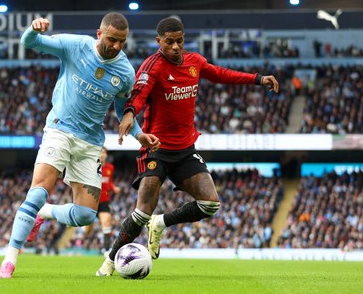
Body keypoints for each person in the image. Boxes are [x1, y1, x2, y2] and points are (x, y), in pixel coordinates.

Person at [96, 17, 279, 276]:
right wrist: (128, 114)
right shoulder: (152, 66)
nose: (175, 47)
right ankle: (110, 259)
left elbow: (221, 74)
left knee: (211, 204)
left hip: (185, 148)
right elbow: (138, 95)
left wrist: (257, 79)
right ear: (159, 41)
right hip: (156, 147)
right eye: (169, 42)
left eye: (179, 41)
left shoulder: (195, 62)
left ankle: (161, 223)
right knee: (142, 211)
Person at [0, 12, 160, 278]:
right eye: (112, 39)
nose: (117, 46)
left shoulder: (126, 72)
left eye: (122, 41)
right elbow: (30, 43)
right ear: (99, 33)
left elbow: (122, 112)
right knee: (37, 192)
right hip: (59, 130)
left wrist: (138, 135)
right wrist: (34, 29)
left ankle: (44, 214)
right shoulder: (75, 46)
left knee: (85, 215)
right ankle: (9, 260)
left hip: (90, 142)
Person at [86, 146, 121, 253]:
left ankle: (107, 251)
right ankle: (87, 244)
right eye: (100, 152)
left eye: (104, 152)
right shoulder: (91, 167)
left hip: (104, 201)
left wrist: (113, 187)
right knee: (88, 229)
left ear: (106, 155)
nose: (102, 154)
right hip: (90, 201)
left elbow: (108, 181)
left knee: (106, 224)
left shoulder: (110, 167)